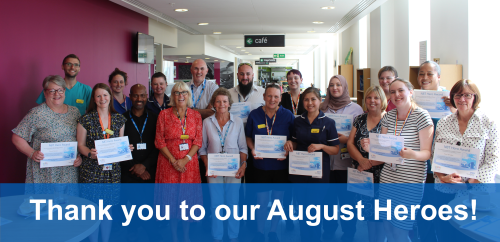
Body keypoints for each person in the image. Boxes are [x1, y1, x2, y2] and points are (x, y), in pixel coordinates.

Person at [361, 78, 433, 242]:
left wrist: (412, 154)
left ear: (410, 92)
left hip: (410, 181)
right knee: (388, 227)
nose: (396, 95)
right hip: (388, 179)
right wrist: (371, 148)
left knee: (400, 231)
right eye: (392, 92)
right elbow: (385, 151)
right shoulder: (389, 117)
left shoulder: (421, 116)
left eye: (400, 90)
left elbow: (427, 153)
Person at [433, 79, 498, 241]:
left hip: (476, 194)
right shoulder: (443, 123)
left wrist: (468, 184)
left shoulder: (488, 123)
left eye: (467, 95)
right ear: (453, 97)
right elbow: (436, 155)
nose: (462, 99)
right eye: (458, 95)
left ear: (475, 98)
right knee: (445, 235)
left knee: (470, 236)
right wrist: (442, 177)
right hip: (445, 189)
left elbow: (493, 160)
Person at [76, 83, 132, 242]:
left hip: (112, 172)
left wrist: (126, 148)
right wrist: (89, 153)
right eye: (98, 96)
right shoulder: (85, 119)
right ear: (94, 98)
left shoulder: (119, 119)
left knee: (108, 210)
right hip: (91, 171)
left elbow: (120, 143)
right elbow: (80, 144)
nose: (102, 99)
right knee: (93, 211)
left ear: (111, 97)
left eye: (105, 95)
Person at [284, 87, 340, 242]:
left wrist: (321, 146)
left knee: (314, 210)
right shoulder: (297, 121)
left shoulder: (328, 123)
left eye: (313, 99)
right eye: (306, 100)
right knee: (302, 210)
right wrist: (290, 143)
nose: (310, 103)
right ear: (303, 101)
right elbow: (295, 143)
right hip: (299, 172)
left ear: (320, 100)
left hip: (318, 175)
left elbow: (335, 149)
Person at [245, 84, 295, 242]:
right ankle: (260, 231)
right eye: (269, 96)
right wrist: (252, 149)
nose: (272, 99)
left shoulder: (288, 115)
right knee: (261, 201)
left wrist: (289, 147)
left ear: (280, 98)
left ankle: (273, 231)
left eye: (276, 96)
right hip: (261, 166)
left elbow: (294, 138)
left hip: (281, 166)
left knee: (277, 201)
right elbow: (248, 137)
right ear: (264, 97)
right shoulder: (254, 115)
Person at [155, 81, 203, 242]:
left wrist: (185, 160)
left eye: (184, 93)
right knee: (171, 200)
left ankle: (187, 236)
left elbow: (198, 141)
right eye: (177, 92)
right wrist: (174, 160)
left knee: (186, 201)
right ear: (172, 96)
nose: (180, 96)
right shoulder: (164, 115)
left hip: (189, 166)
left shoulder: (195, 116)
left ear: (189, 96)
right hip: (168, 165)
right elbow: (159, 141)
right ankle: (175, 237)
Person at [12, 75, 82, 185]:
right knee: (44, 201)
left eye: (60, 90)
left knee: (69, 202)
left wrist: (79, 157)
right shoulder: (37, 113)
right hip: (44, 173)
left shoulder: (74, 112)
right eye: (52, 90)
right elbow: (17, 138)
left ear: (64, 91)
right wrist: (31, 153)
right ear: (45, 93)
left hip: (69, 171)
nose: (57, 94)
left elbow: (80, 138)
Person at [199, 87, 248, 242]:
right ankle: (217, 236)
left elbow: (243, 147)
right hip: (213, 170)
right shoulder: (207, 122)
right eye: (218, 101)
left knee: (233, 203)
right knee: (216, 204)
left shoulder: (238, 121)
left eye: (224, 101)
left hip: (234, 170)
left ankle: (233, 236)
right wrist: (207, 166)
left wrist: (243, 165)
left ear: (229, 103)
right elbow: (202, 148)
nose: (221, 104)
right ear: (214, 103)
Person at [320, 75, 363, 242]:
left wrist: (348, 139)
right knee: (328, 201)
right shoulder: (322, 108)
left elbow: (360, 136)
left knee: (347, 201)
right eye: (331, 85)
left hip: (347, 164)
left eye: (338, 85)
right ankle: (329, 229)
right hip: (325, 164)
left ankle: (349, 230)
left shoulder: (356, 109)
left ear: (344, 87)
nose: (335, 88)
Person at [346, 86, 387, 242]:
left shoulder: (389, 119)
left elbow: (392, 150)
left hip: (383, 173)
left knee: (382, 213)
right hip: (362, 172)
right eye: (369, 97)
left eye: (376, 98)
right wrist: (361, 161)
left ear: (382, 100)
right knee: (369, 212)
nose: (372, 101)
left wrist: (369, 162)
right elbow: (350, 143)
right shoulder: (360, 118)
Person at [122, 84, 158, 183]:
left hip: (150, 172)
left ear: (146, 96)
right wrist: (136, 167)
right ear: (130, 96)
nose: (139, 99)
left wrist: (144, 166)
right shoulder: (121, 119)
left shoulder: (155, 118)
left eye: (142, 95)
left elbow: (159, 145)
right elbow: (120, 146)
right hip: (128, 172)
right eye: (135, 95)